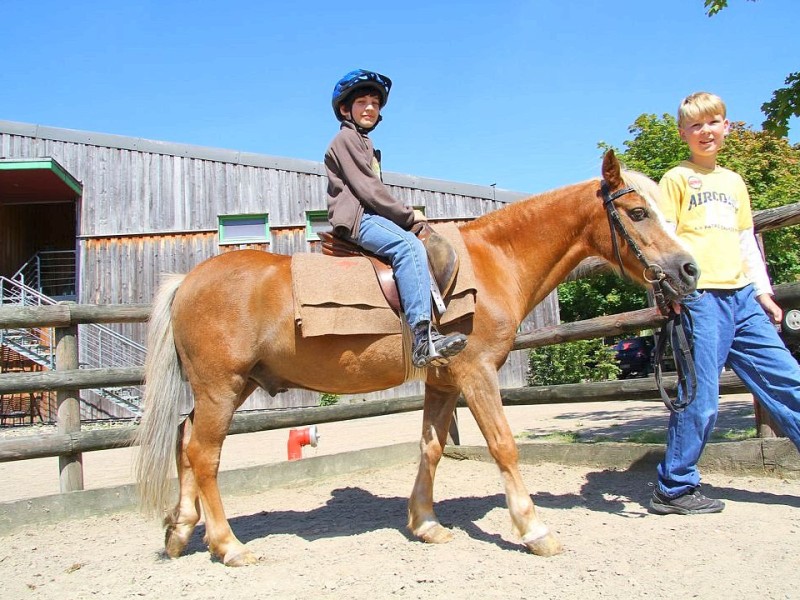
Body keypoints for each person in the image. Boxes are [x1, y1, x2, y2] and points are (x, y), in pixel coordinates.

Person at [650, 91, 800, 515]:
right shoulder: (675, 179)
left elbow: (744, 240)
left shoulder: (734, 182)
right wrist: (671, 292)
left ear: (726, 126)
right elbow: (663, 241)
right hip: (700, 298)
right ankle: (674, 487)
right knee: (702, 396)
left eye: (712, 122)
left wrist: (763, 291)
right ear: (683, 133)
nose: (705, 131)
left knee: (788, 379)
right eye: (695, 125)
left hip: (743, 298)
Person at [324, 69, 467, 368]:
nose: (370, 108)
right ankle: (423, 339)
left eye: (375, 103)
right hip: (359, 218)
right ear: (344, 109)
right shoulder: (346, 139)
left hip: (370, 213)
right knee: (408, 247)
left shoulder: (364, 144)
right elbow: (369, 190)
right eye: (362, 102)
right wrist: (408, 216)